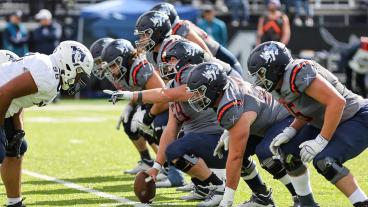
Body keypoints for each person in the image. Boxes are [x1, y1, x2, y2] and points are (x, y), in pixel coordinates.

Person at [104, 48, 301, 206]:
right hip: (239, 124)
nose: (165, 64)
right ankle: (261, 196)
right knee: (234, 151)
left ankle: (299, 198)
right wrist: (156, 167)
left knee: (260, 153)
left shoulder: (198, 82)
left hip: (258, 119)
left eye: (171, 60)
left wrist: (228, 200)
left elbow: (166, 95)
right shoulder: (187, 81)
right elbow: (170, 125)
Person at [248, 41, 368, 207]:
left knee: (325, 161)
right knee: (288, 153)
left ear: (275, 67)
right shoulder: (279, 85)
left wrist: (321, 140)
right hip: (328, 119)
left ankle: (362, 203)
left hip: (355, 116)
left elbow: (336, 102)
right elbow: (307, 111)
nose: (259, 80)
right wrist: (291, 130)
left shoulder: (298, 72)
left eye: (261, 73)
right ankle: (306, 204)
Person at [0, 41, 93, 207]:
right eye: (79, 74)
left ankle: (15, 203)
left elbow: (18, 98)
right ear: (69, 63)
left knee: (18, 147)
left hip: (4, 101)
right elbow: (5, 92)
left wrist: (18, 130)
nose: (77, 80)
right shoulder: (48, 74)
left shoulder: (51, 74)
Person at [99, 39, 185, 187]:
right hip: (157, 103)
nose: (112, 70)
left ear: (125, 59)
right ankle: (162, 166)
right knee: (134, 124)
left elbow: (165, 98)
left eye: (114, 65)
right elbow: (138, 93)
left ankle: (175, 172)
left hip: (175, 103)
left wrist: (148, 116)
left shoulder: (140, 69)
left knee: (157, 124)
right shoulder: (128, 70)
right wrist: (130, 107)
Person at [149, 3, 244, 77]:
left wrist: (211, 67)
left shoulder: (179, 28)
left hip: (220, 60)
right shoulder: (175, 30)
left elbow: (204, 51)